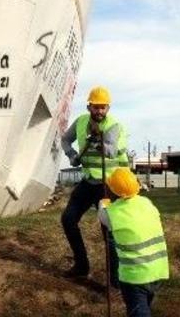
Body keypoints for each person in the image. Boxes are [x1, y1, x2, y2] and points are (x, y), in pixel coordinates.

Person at [60, 86, 129, 280]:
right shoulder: (81, 122)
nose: (99, 111)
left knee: (108, 232)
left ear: (108, 108)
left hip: (108, 185)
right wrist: (72, 154)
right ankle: (82, 266)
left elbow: (112, 150)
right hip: (88, 180)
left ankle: (115, 280)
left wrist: (99, 140)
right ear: (89, 106)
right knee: (68, 219)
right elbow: (65, 139)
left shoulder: (114, 125)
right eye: (96, 107)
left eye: (103, 107)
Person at [98, 168, 169, 317]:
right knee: (144, 305)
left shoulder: (112, 213)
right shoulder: (147, 203)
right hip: (157, 271)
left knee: (139, 311)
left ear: (113, 191)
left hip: (134, 276)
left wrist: (103, 204)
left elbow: (102, 217)